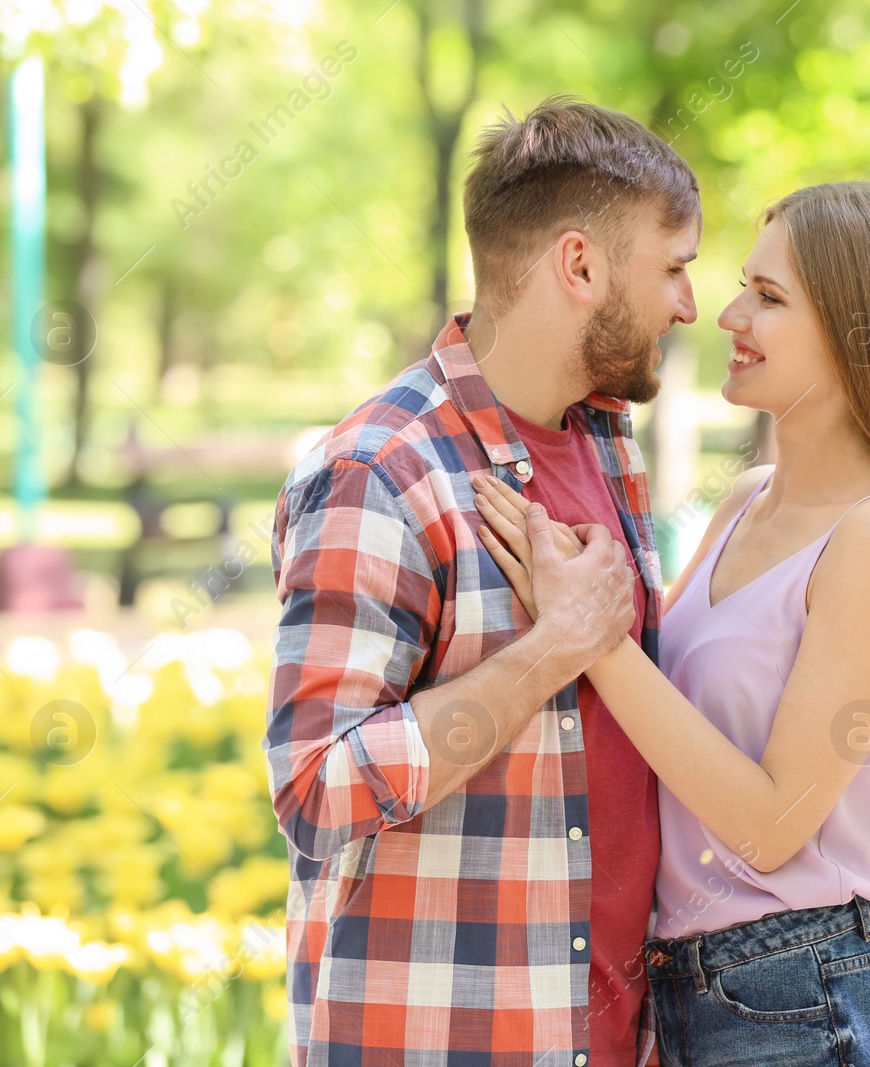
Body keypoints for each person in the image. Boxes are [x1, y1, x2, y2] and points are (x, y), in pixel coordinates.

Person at [473, 181, 870, 1067]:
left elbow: (770, 823)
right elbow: (663, 721)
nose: (727, 313)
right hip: (687, 993)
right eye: (744, 285)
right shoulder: (748, 502)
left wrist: (591, 632)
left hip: (797, 998)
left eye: (770, 298)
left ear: (862, 331)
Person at [264, 96, 700, 1067]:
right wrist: (552, 650)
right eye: (674, 268)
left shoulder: (605, 441)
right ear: (580, 265)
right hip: (442, 1037)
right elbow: (316, 788)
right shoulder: (380, 470)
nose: (689, 305)